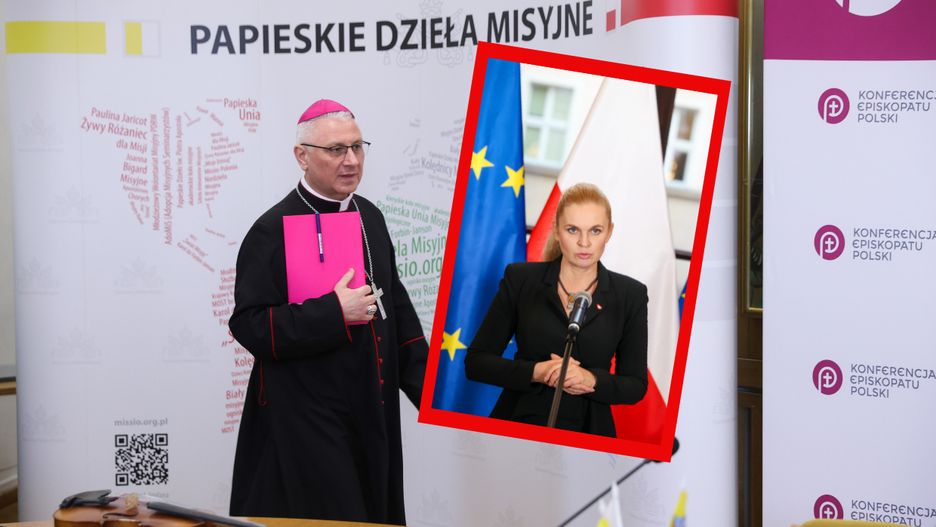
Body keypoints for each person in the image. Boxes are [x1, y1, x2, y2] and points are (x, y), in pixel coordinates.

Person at [228, 99, 427, 524]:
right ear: (302, 156)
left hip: (370, 407)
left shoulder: (370, 216)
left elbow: (397, 309)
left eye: (357, 147)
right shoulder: (270, 230)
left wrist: (435, 392)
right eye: (336, 149)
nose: (351, 160)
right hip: (306, 418)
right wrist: (334, 312)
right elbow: (249, 324)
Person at [464, 183, 648, 437]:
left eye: (595, 231)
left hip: (589, 432)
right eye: (573, 230)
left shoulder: (631, 295)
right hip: (518, 422)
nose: (584, 242)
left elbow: (635, 385)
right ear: (557, 230)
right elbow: (476, 363)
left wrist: (590, 379)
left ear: (609, 232)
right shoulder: (521, 279)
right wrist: (536, 372)